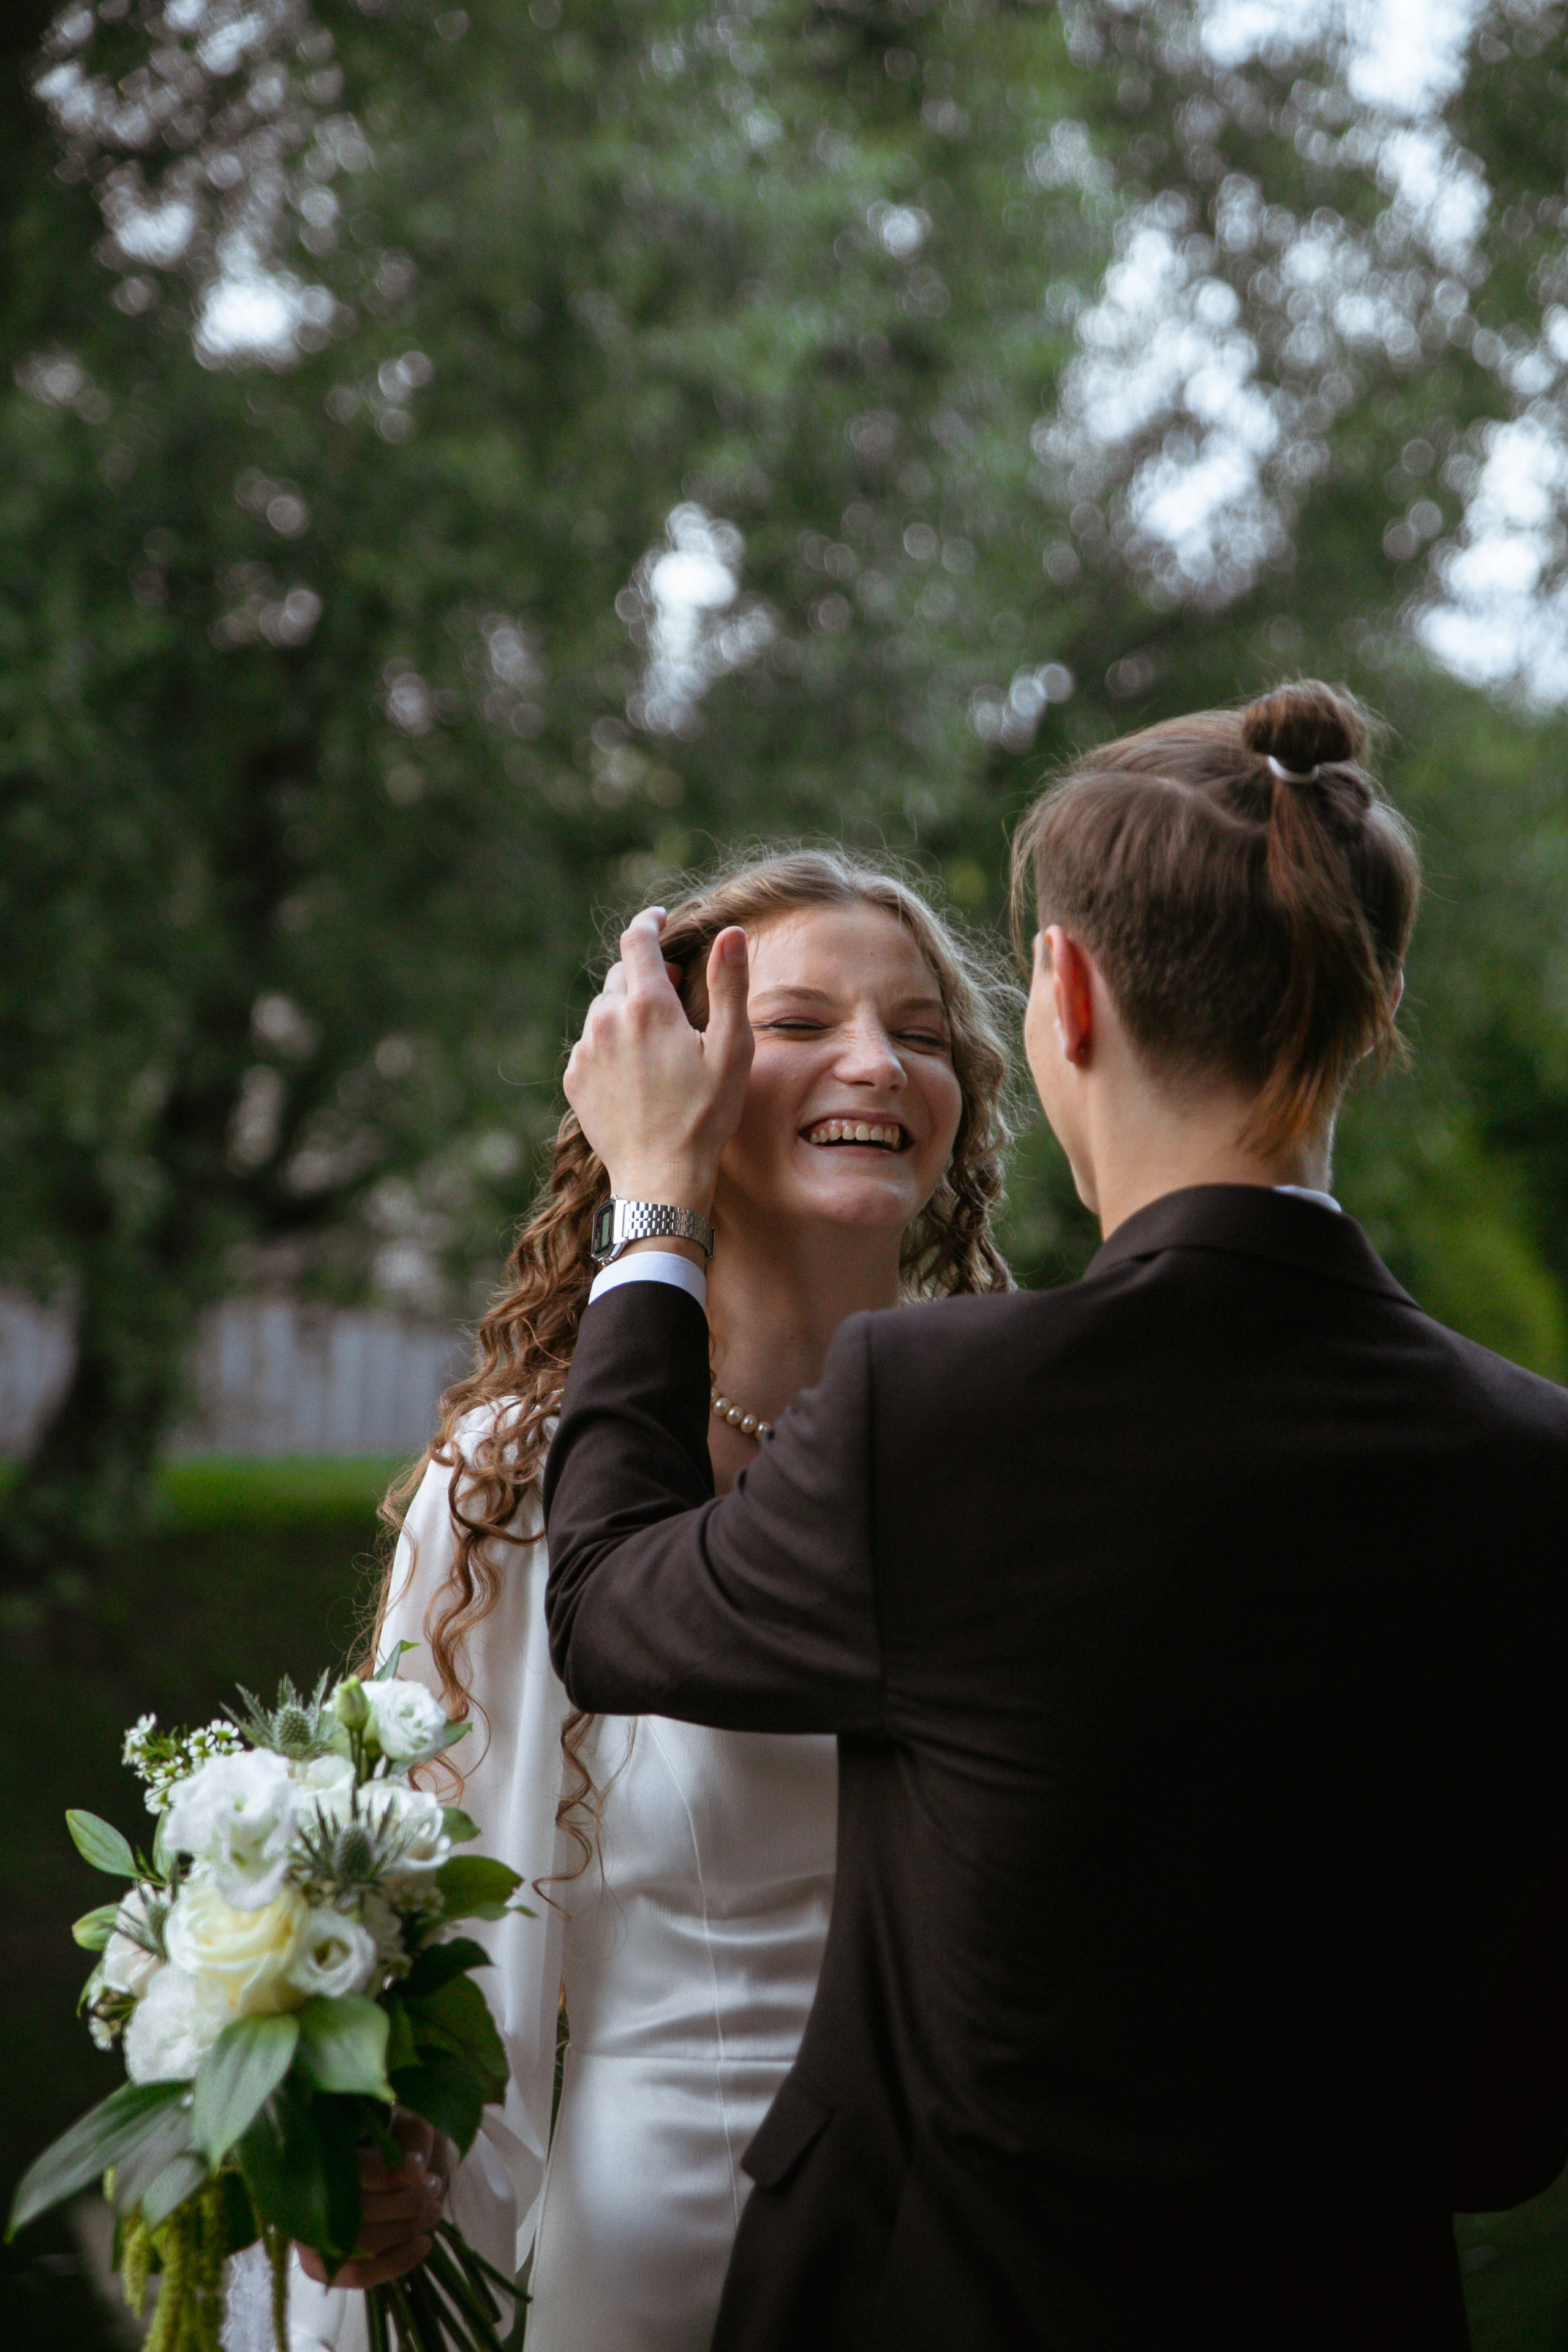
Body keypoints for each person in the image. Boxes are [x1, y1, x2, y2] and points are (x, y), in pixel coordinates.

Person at [543, 681, 1568, 2351]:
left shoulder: (938, 1409)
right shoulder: (1541, 1468)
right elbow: (1506, 2123)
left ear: (1067, 997)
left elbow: (602, 1601)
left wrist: (653, 1198)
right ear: (1372, 1012)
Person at [266, 850, 1015, 2352]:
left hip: (996, 2252)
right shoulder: (511, 1485)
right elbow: (424, 1932)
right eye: (797, 1023)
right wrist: (379, 2156)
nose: (875, 1061)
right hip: (670, 2258)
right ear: (663, 1080)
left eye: (921, 1032)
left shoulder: (1027, 1445)